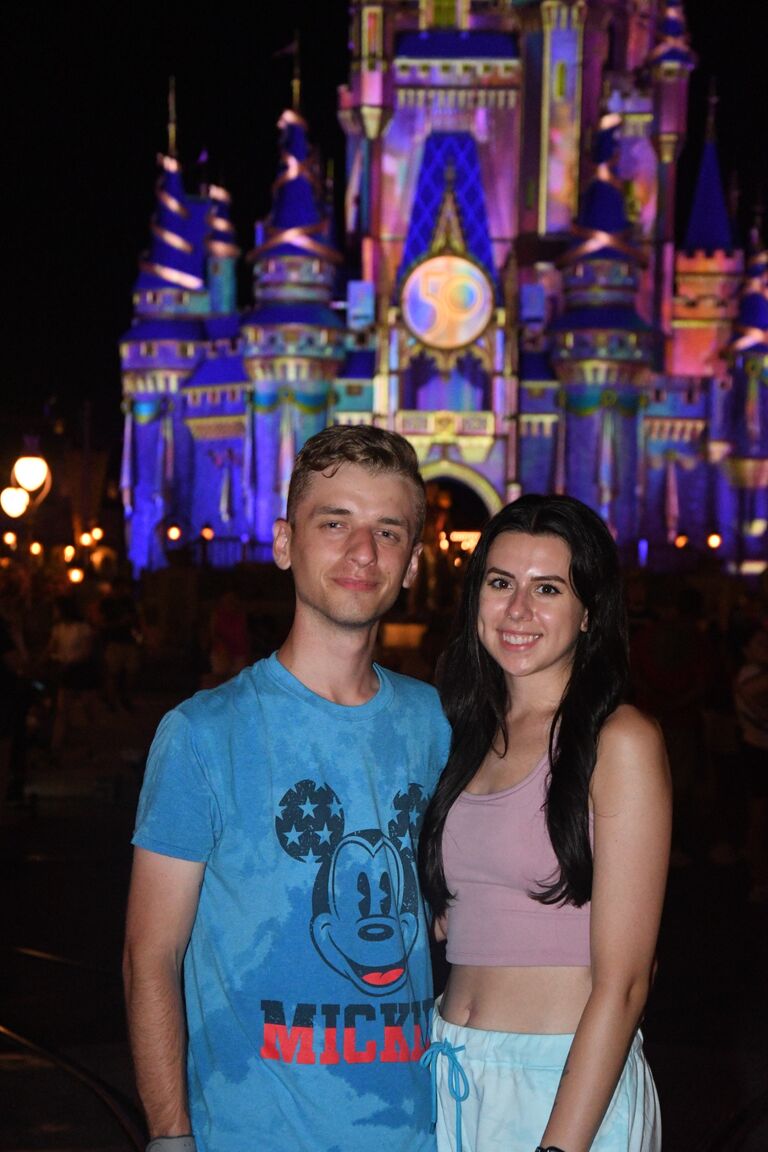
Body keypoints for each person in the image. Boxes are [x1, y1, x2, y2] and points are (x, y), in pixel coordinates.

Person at [123, 425, 452, 1152]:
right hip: (248, 1133)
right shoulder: (204, 735)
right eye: (335, 523)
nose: (362, 553)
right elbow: (150, 955)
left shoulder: (439, 726)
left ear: (413, 563)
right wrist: (171, 1137)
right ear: (283, 543)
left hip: (415, 1135)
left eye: (387, 532)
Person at [418, 494, 671, 1152]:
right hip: (448, 1068)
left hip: (563, 1085)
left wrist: (559, 1146)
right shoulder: (459, 734)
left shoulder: (621, 742)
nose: (518, 610)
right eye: (501, 583)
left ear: (589, 612)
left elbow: (625, 984)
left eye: (548, 588)